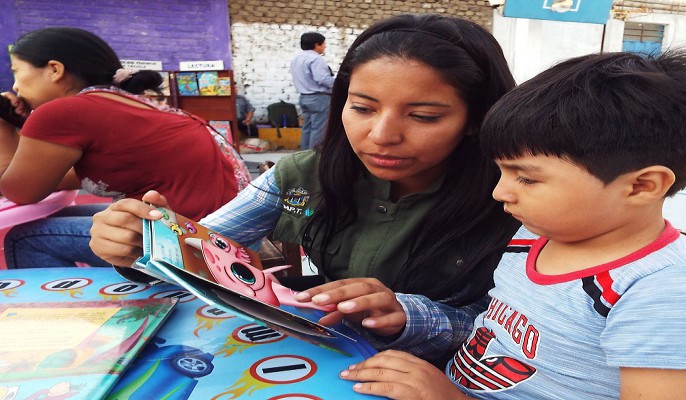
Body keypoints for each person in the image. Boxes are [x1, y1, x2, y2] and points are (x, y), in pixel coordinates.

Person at [89, 13, 521, 362]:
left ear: (476, 119)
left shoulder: (516, 198)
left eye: (424, 116)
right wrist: (141, 246)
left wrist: (410, 316)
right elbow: (205, 251)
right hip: (314, 360)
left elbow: (526, 333)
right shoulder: (302, 178)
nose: (381, 135)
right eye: (363, 107)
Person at [334, 51, 686, 399]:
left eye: (527, 178)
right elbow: (501, 336)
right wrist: (408, 315)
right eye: (501, 172)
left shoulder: (673, 297)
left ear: (642, 186)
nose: (500, 192)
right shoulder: (534, 237)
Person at [0, 27, 250, 269]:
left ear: (54, 70)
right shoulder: (125, 103)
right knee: (56, 217)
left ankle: (59, 310)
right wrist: (20, 125)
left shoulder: (63, 112)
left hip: (195, 248)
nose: (15, 87)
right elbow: (51, 178)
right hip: (227, 232)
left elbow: (19, 192)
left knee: (25, 238)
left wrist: (3, 123)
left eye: (17, 72)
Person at [290, 31, 334, 149]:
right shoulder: (316, 59)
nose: (324, 47)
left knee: (307, 128)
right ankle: (314, 157)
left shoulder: (297, 59)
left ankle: (304, 155)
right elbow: (322, 79)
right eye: (323, 44)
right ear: (316, 45)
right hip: (319, 97)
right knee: (319, 129)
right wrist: (338, 84)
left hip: (304, 97)